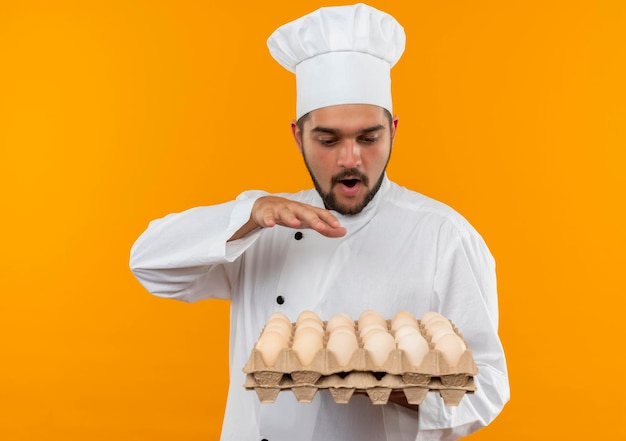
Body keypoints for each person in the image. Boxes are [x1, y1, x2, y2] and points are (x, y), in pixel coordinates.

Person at [129, 3, 510, 440]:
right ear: (298, 136)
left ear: (394, 131)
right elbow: (149, 265)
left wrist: (395, 384)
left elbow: (488, 386)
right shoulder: (263, 226)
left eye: (369, 138)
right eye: (327, 139)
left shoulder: (443, 235)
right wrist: (249, 215)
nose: (351, 160)